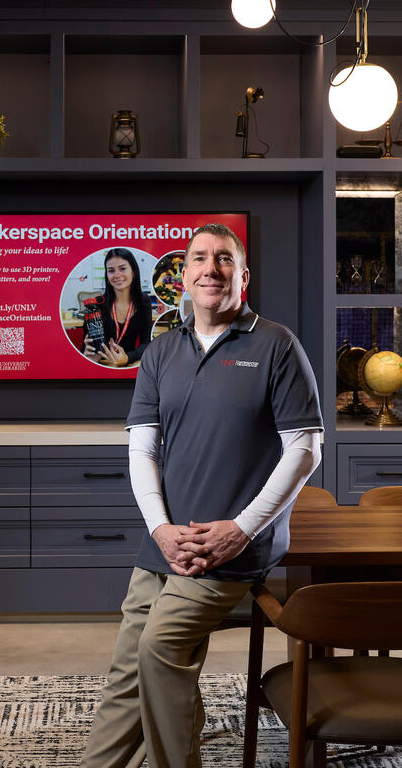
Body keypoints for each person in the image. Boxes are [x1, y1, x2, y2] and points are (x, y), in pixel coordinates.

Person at [80, 223, 323, 768]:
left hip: (230, 549)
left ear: (243, 276)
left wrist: (241, 531)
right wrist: (160, 530)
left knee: (160, 649)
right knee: (127, 670)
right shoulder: (161, 351)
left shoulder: (277, 345)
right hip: (165, 543)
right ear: (182, 276)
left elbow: (304, 451)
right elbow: (142, 450)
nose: (210, 268)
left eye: (224, 259)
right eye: (198, 259)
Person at [84, 247, 154, 368]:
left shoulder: (144, 301)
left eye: (122, 268)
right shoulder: (96, 306)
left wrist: (128, 358)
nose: (117, 275)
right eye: (111, 270)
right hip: (102, 366)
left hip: (128, 366)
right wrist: (88, 356)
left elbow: (147, 342)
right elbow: (85, 347)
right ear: (107, 274)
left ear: (133, 271)